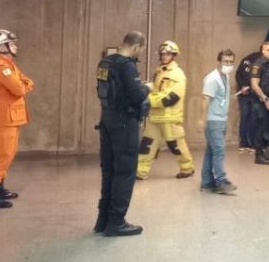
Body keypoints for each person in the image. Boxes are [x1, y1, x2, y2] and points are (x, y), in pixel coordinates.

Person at [94, 31, 150, 236]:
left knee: (108, 170)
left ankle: (103, 220)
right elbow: (136, 96)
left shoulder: (105, 63)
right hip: (124, 123)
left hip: (106, 119)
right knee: (125, 171)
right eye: (140, 50)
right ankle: (116, 221)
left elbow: (101, 89)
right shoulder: (126, 65)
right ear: (136, 47)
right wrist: (147, 88)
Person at [136, 40, 194, 180]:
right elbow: (158, 89)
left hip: (169, 117)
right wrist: (148, 88)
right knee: (147, 145)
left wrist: (150, 100)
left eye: (167, 54)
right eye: (162, 54)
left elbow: (172, 97)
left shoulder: (177, 74)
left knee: (176, 145)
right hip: (155, 116)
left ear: (174, 55)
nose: (164, 56)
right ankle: (140, 171)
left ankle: (187, 168)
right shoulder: (159, 71)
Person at [0, 30, 34, 209]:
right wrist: (24, 85)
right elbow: (19, 88)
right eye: (12, 44)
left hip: (11, 118)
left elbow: (27, 82)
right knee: (0, 156)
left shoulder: (9, 64)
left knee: (7, 155)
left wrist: (24, 85)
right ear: (1, 47)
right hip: (1, 119)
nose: (15, 46)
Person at [200, 49, 238, 194]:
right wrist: (201, 118)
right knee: (219, 151)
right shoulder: (212, 78)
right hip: (213, 120)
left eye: (230, 62)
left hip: (221, 119)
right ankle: (222, 182)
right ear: (218, 62)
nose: (228, 64)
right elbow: (205, 98)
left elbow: (220, 96)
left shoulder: (225, 77)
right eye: (225, 61)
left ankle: (207, 182)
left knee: (211, 151)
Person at [236, 45, 262, 151]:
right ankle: (252, 144)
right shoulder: (262, 62)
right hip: (254, 93)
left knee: (244, 118)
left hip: (243, 92)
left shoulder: (246, 59)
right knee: (253, 118)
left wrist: (242, 86)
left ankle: (243, 143)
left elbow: (238, 74)